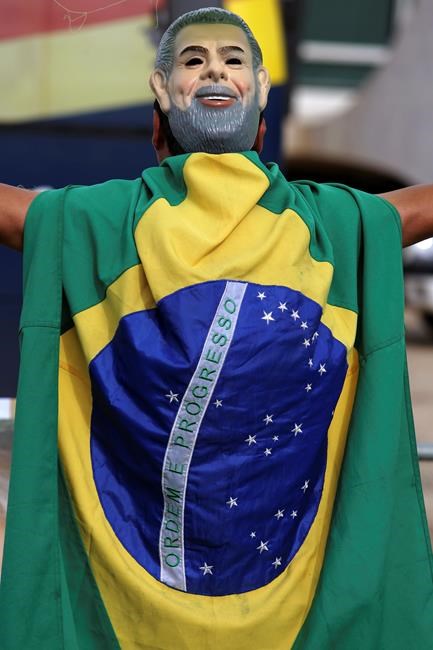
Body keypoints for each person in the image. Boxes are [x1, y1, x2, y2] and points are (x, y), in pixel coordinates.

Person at [0, 7, 432, 650]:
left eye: (233, 60)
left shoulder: (332, 225)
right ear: (158, 117)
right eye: (193, 60)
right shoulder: (98, 222)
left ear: (261, 120)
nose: (214, 70)